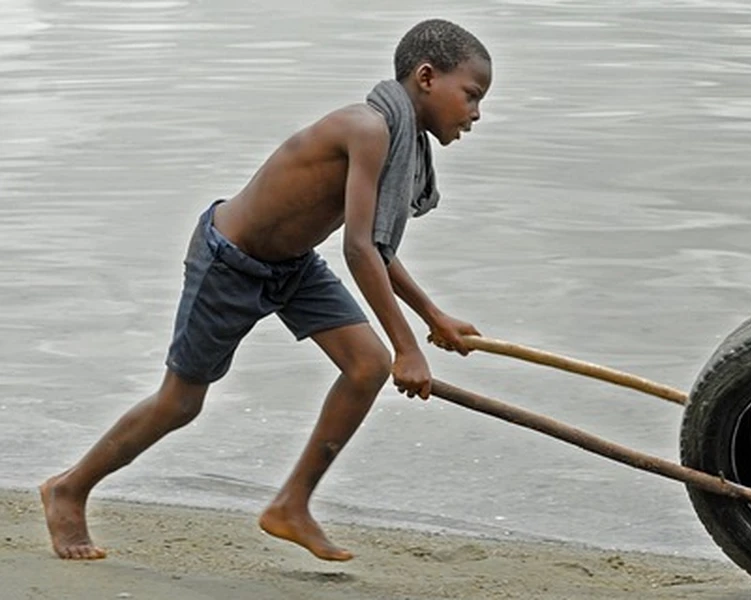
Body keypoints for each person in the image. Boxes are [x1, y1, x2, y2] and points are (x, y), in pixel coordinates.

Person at [39, 18, 493, 562]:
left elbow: (377, 247)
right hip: (229, 261)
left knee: (366, 365)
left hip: (292, 266)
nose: (476, 113)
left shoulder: (400, 142)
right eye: (471, 95)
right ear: (425, 77)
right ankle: (69, 489)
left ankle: (291, 504)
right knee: (180, 403)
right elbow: (357, 249)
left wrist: (431, 317)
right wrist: (409, 347)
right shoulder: (369, 129)